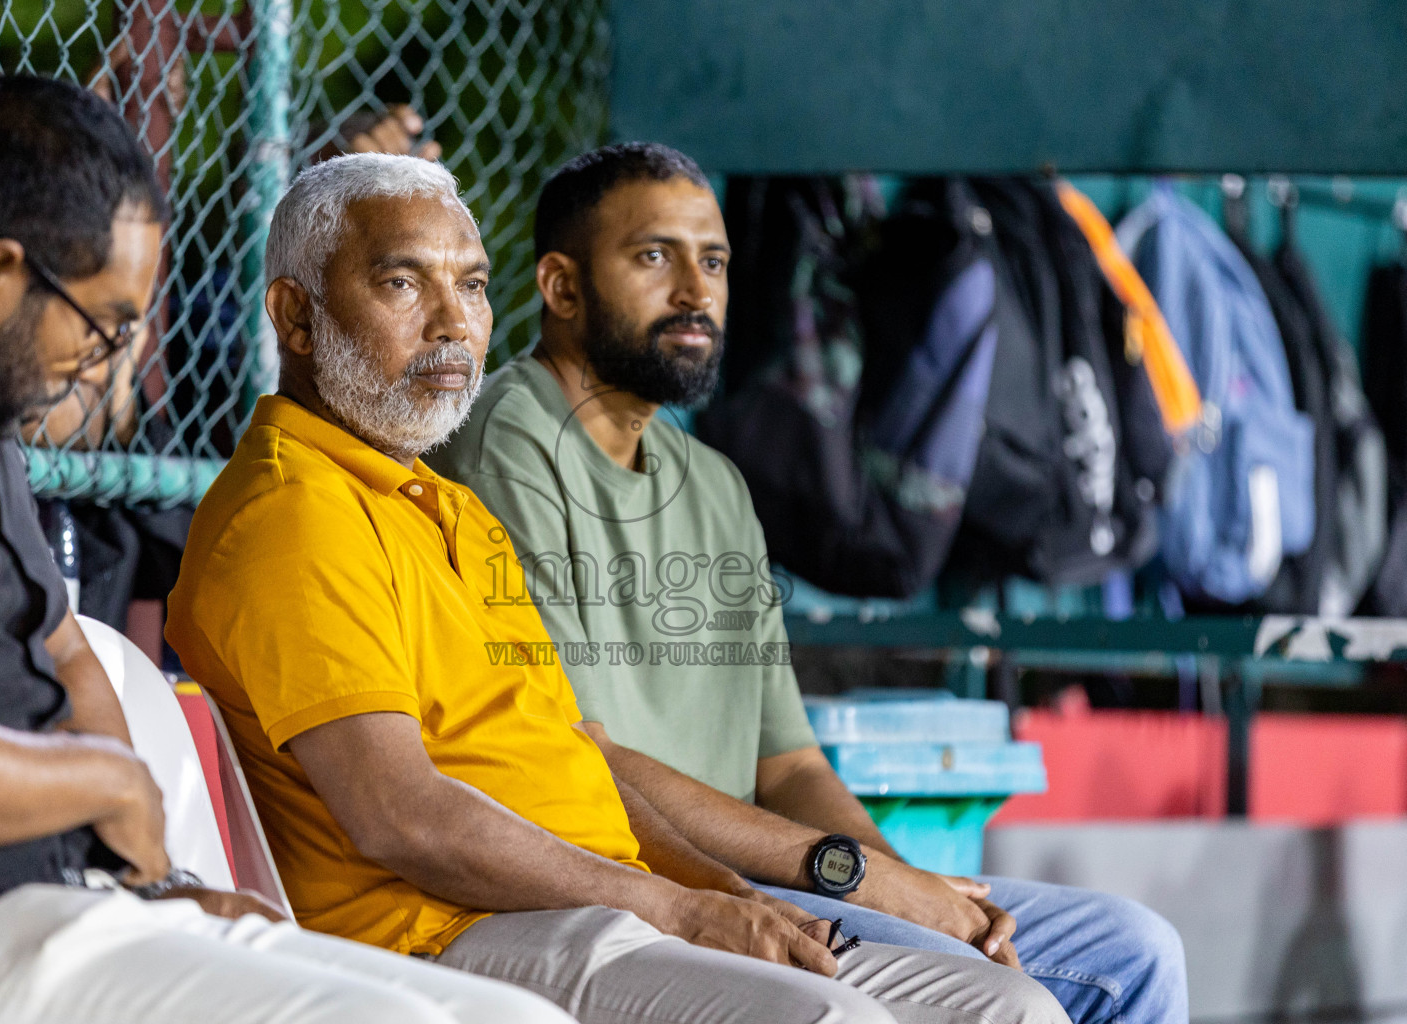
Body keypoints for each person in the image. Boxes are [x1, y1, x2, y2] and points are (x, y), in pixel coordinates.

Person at [165, 150, 1071, 1024]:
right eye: (404, 283)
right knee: (830, 1016)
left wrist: (716, 890)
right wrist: (682, 911)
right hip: (446, 931)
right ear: (294, 315)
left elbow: (575, 755)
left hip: (607, 899)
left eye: (473, 286)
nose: (453, 322)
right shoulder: (291, 514)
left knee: (1009, 1006)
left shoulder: (441, 506)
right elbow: (404, 819)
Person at [428, 142, 1190, 1024]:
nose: (695, 291)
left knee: (1134, 950)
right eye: (653, 257)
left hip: (774, 866)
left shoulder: (710, 479)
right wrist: (861, 876)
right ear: (561, 288)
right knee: (980, 986)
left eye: (711, 260)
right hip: (633, 879)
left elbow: (786, 762)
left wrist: (900, 879)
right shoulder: (506, 443)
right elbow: (580, 751)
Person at [0, 74, 572, 1024]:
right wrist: (106, 783)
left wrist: (151, 875)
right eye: (104, 323)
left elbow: (68, 649)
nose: (110, 362)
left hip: (79, 893)